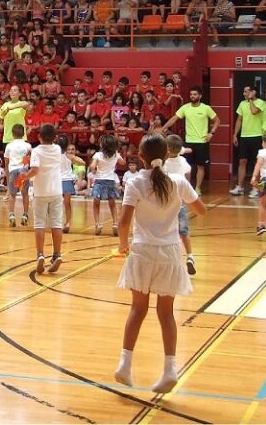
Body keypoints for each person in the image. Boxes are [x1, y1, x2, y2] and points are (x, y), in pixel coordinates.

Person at [114, 133, 206, 393]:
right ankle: (170, 370)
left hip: (142, 252)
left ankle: (124, 364)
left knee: (137, 310)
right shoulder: (177, 182)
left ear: (140, 156)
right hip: (169, 252)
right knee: (166, 314)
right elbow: (201, 210)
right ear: (167, 155)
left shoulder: (134, 182)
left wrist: (123, 244)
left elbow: (123, 223)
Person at [162, 86, 219, 193]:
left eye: (195, 94)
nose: (192, 96)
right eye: (191, 94)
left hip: (202, 142)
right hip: (189, 141)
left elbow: (217, 120)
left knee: (200, 166)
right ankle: (186, 187)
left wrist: (211, 133)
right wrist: (163, 128)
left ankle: (197, 188)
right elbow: (174, 118)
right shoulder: (185, 108)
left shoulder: (206, 108)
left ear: (200, 96)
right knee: (187, 165)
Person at [26, 124, 65, 274]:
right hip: (56, 191)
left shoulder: (36, 151)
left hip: (40, 191)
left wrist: (25, 177)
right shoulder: (57, 149)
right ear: (55, 137)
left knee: (39, 224)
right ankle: (57, 254)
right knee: (56, 223)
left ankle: (40, 254)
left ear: (39, 137)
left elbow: (35, 170)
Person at [163, 135, 197, 275]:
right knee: (184, 232)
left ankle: (168, 260)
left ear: (168, 150)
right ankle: (189, 256)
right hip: (180, 203)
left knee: (165, 231)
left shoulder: (163, 163)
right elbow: (188, 171)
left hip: (165, 203)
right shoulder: (182, 161)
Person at [230, 85, 265, 198]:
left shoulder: (260, 102)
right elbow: (239, 120)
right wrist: (235, 134)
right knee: (242, 161)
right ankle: (240, 187)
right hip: (244, 136)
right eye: (244, 92)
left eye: (246, 92)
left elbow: (254, 111)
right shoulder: (241, 104)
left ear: (253, 92)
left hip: (257, 136)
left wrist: (250, 99)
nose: (244, 94)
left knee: (257, 163)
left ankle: (256, 188)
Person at [90, 134, 124, 236]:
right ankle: (115, 223)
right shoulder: (116, 155)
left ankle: (97, 224)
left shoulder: (98, 155)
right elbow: (123, 163)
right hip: (110, 181)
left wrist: (94, 170)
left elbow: (92, 166)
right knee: (112, 204)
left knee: (96, 204)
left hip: (99, 181)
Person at [3, 123, 32, 228]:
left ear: (12, 134)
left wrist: (7, 172)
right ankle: (25, 215)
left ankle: (11, 215)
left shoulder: (9, 146)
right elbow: (29, 159)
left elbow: (6, 162)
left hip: (13, 170)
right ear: (23, 133)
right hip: (23, 170)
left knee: (12, 194)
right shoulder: (28, 146)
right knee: (25, 194)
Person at [60, 139, 85, 234]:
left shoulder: (68, 156)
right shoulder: (58, 155)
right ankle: (63, 223)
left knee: (66, 203)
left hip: (65, 180)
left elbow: (82, 163)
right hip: (59, 180)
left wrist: (72, 158)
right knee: (62, 203)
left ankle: (67, 223)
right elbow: (83, 162)